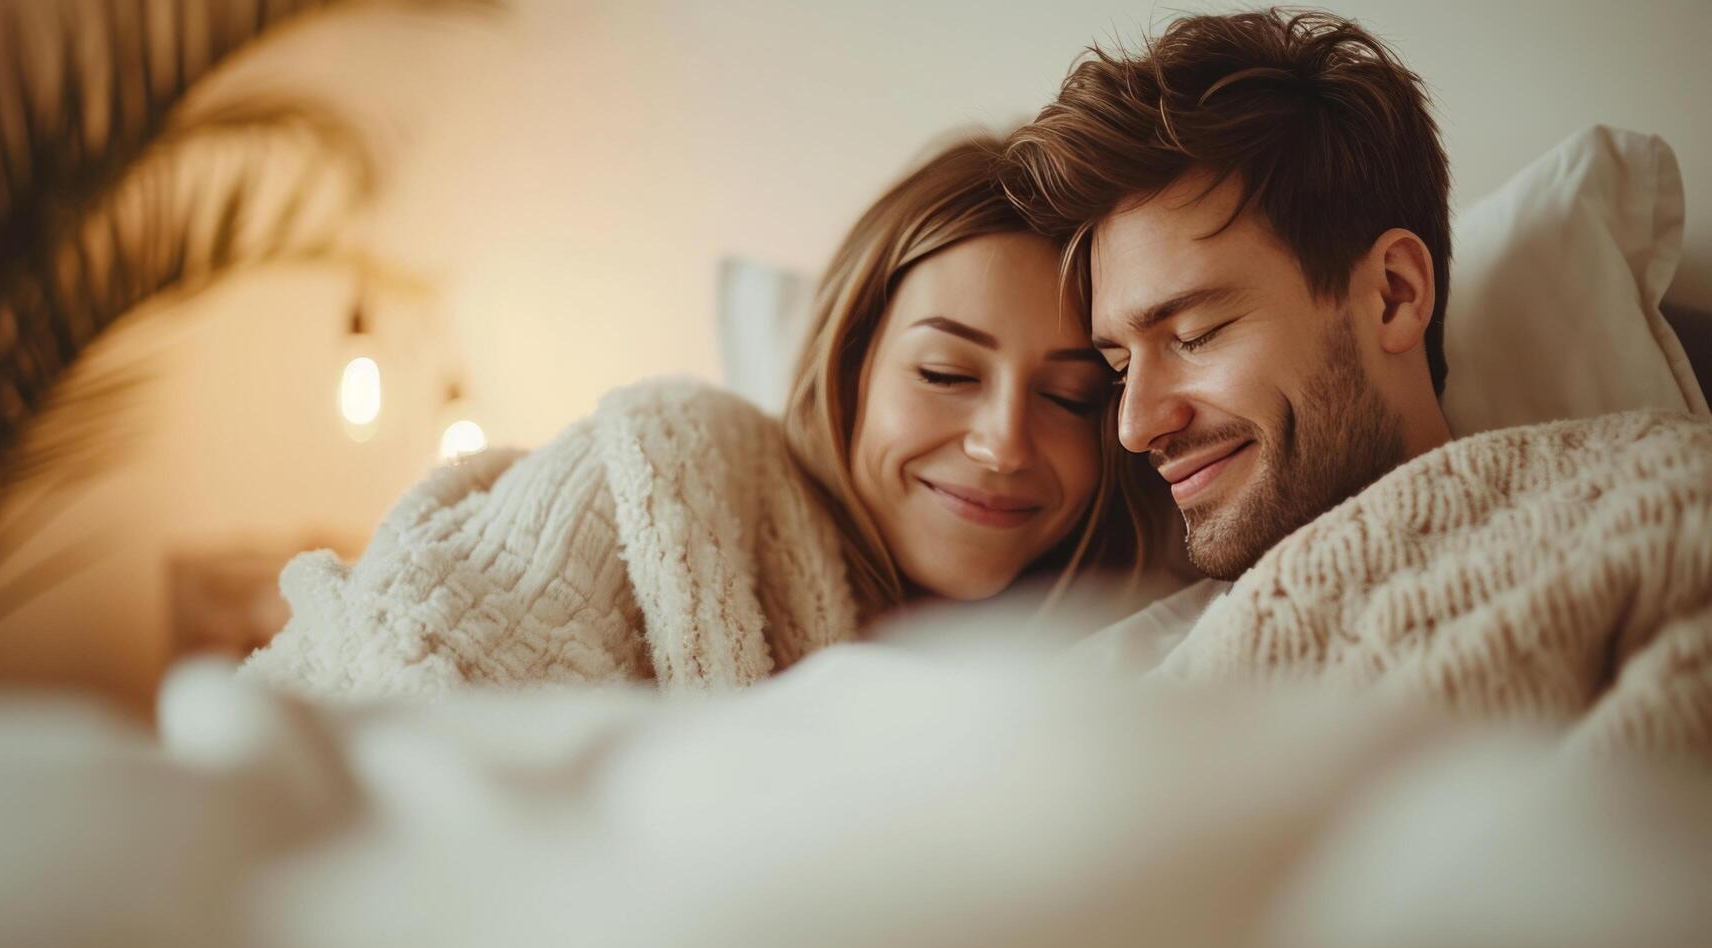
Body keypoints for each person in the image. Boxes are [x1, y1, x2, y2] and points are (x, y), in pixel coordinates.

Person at [1002, 9, 1712, 754]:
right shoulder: (1096, 694)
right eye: (1118, 368)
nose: (1134, 425)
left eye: (1193, 335)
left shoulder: (1653, 508)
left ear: (1394, 295)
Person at [240, 133, 1164, 700]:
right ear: (846, 369)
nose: (1003, 442)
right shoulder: (680, 467)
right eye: (944, 372)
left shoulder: (1116, 645)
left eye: (1070, 397)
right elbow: (408, 667)